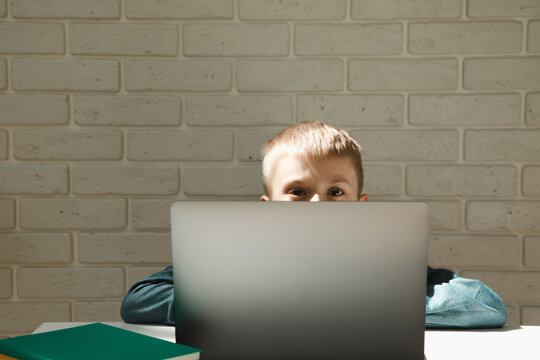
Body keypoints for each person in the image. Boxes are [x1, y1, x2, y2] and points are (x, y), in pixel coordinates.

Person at [121, 121, 507, 328]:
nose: (319, 202)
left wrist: (360, 304)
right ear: (267, 206)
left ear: (361, 204)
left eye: (336, 192)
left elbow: (484, 304)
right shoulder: (240, 264)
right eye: (298, 191)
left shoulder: (382, 266)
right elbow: (139, 300)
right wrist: (254, 302)